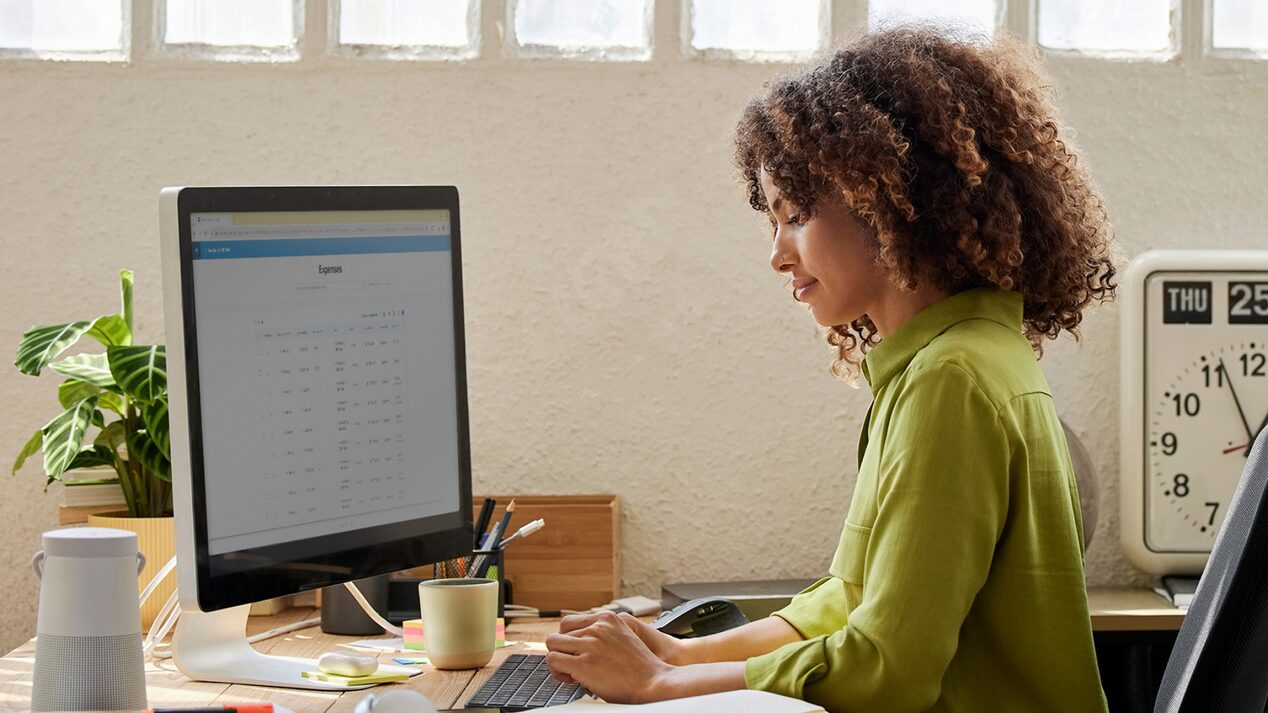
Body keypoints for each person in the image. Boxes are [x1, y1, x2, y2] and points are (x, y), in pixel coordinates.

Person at [545, 25, 1115, 713]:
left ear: (883, 195)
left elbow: (888, 666)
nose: (778, 254)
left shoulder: (952, 381)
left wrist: (660, 685)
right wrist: (675, 652)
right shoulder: (952, 358)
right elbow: (851, 597)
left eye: (795, 215)